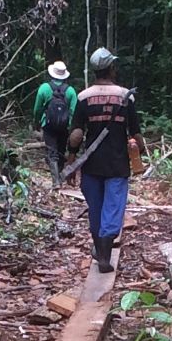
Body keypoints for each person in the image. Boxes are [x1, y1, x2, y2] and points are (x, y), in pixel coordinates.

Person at [67, 47, 141, 274]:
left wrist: (71, 162)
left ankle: (99, 250)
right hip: (117, 163)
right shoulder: (125, 95)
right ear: (111, 68)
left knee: (96, 208)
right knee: (113, 208)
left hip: (91, 164)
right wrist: (141, 154)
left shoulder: (83, 97)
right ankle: (105, 255)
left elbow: (77, 133)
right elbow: (135, 132)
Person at [31, 61, 74, 179]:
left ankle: (56, 181)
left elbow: (37, 109)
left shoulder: (44, 88)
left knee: (51, 150)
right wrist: (71, 126)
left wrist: (37, 122)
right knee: (61, 150)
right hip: (64, 126)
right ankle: (60, 175)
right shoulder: (70, 91)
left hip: (48, 125)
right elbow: (73, 111)